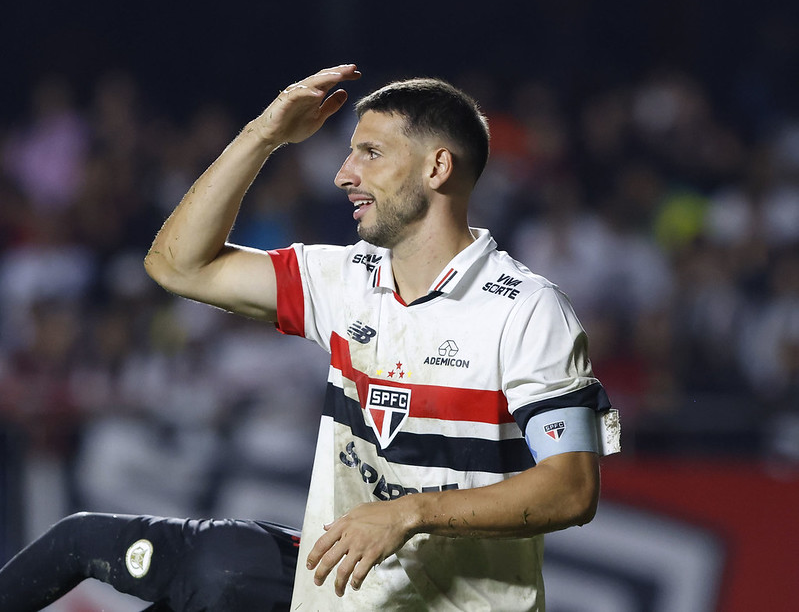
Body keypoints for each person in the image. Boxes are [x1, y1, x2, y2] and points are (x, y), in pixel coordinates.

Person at [0, 63, 619, 611]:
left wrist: (411, 513)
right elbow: (175, 265)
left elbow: (571, 487)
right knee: (131, 551)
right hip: (334, 596)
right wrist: (263, 134)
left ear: (437, 166)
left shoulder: (528, 311)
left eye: (371, 153)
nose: (344, 174)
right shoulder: (345, 278)